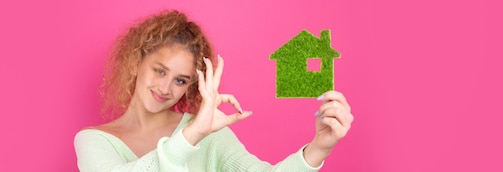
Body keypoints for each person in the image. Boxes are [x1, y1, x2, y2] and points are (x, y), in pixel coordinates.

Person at [74, 10, 354, 171]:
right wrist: (193, 135)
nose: (165, 88)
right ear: (137, 62)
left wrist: (319, 147)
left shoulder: (207, 132)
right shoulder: (93, 141)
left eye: (181, 80)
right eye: (160, 70)